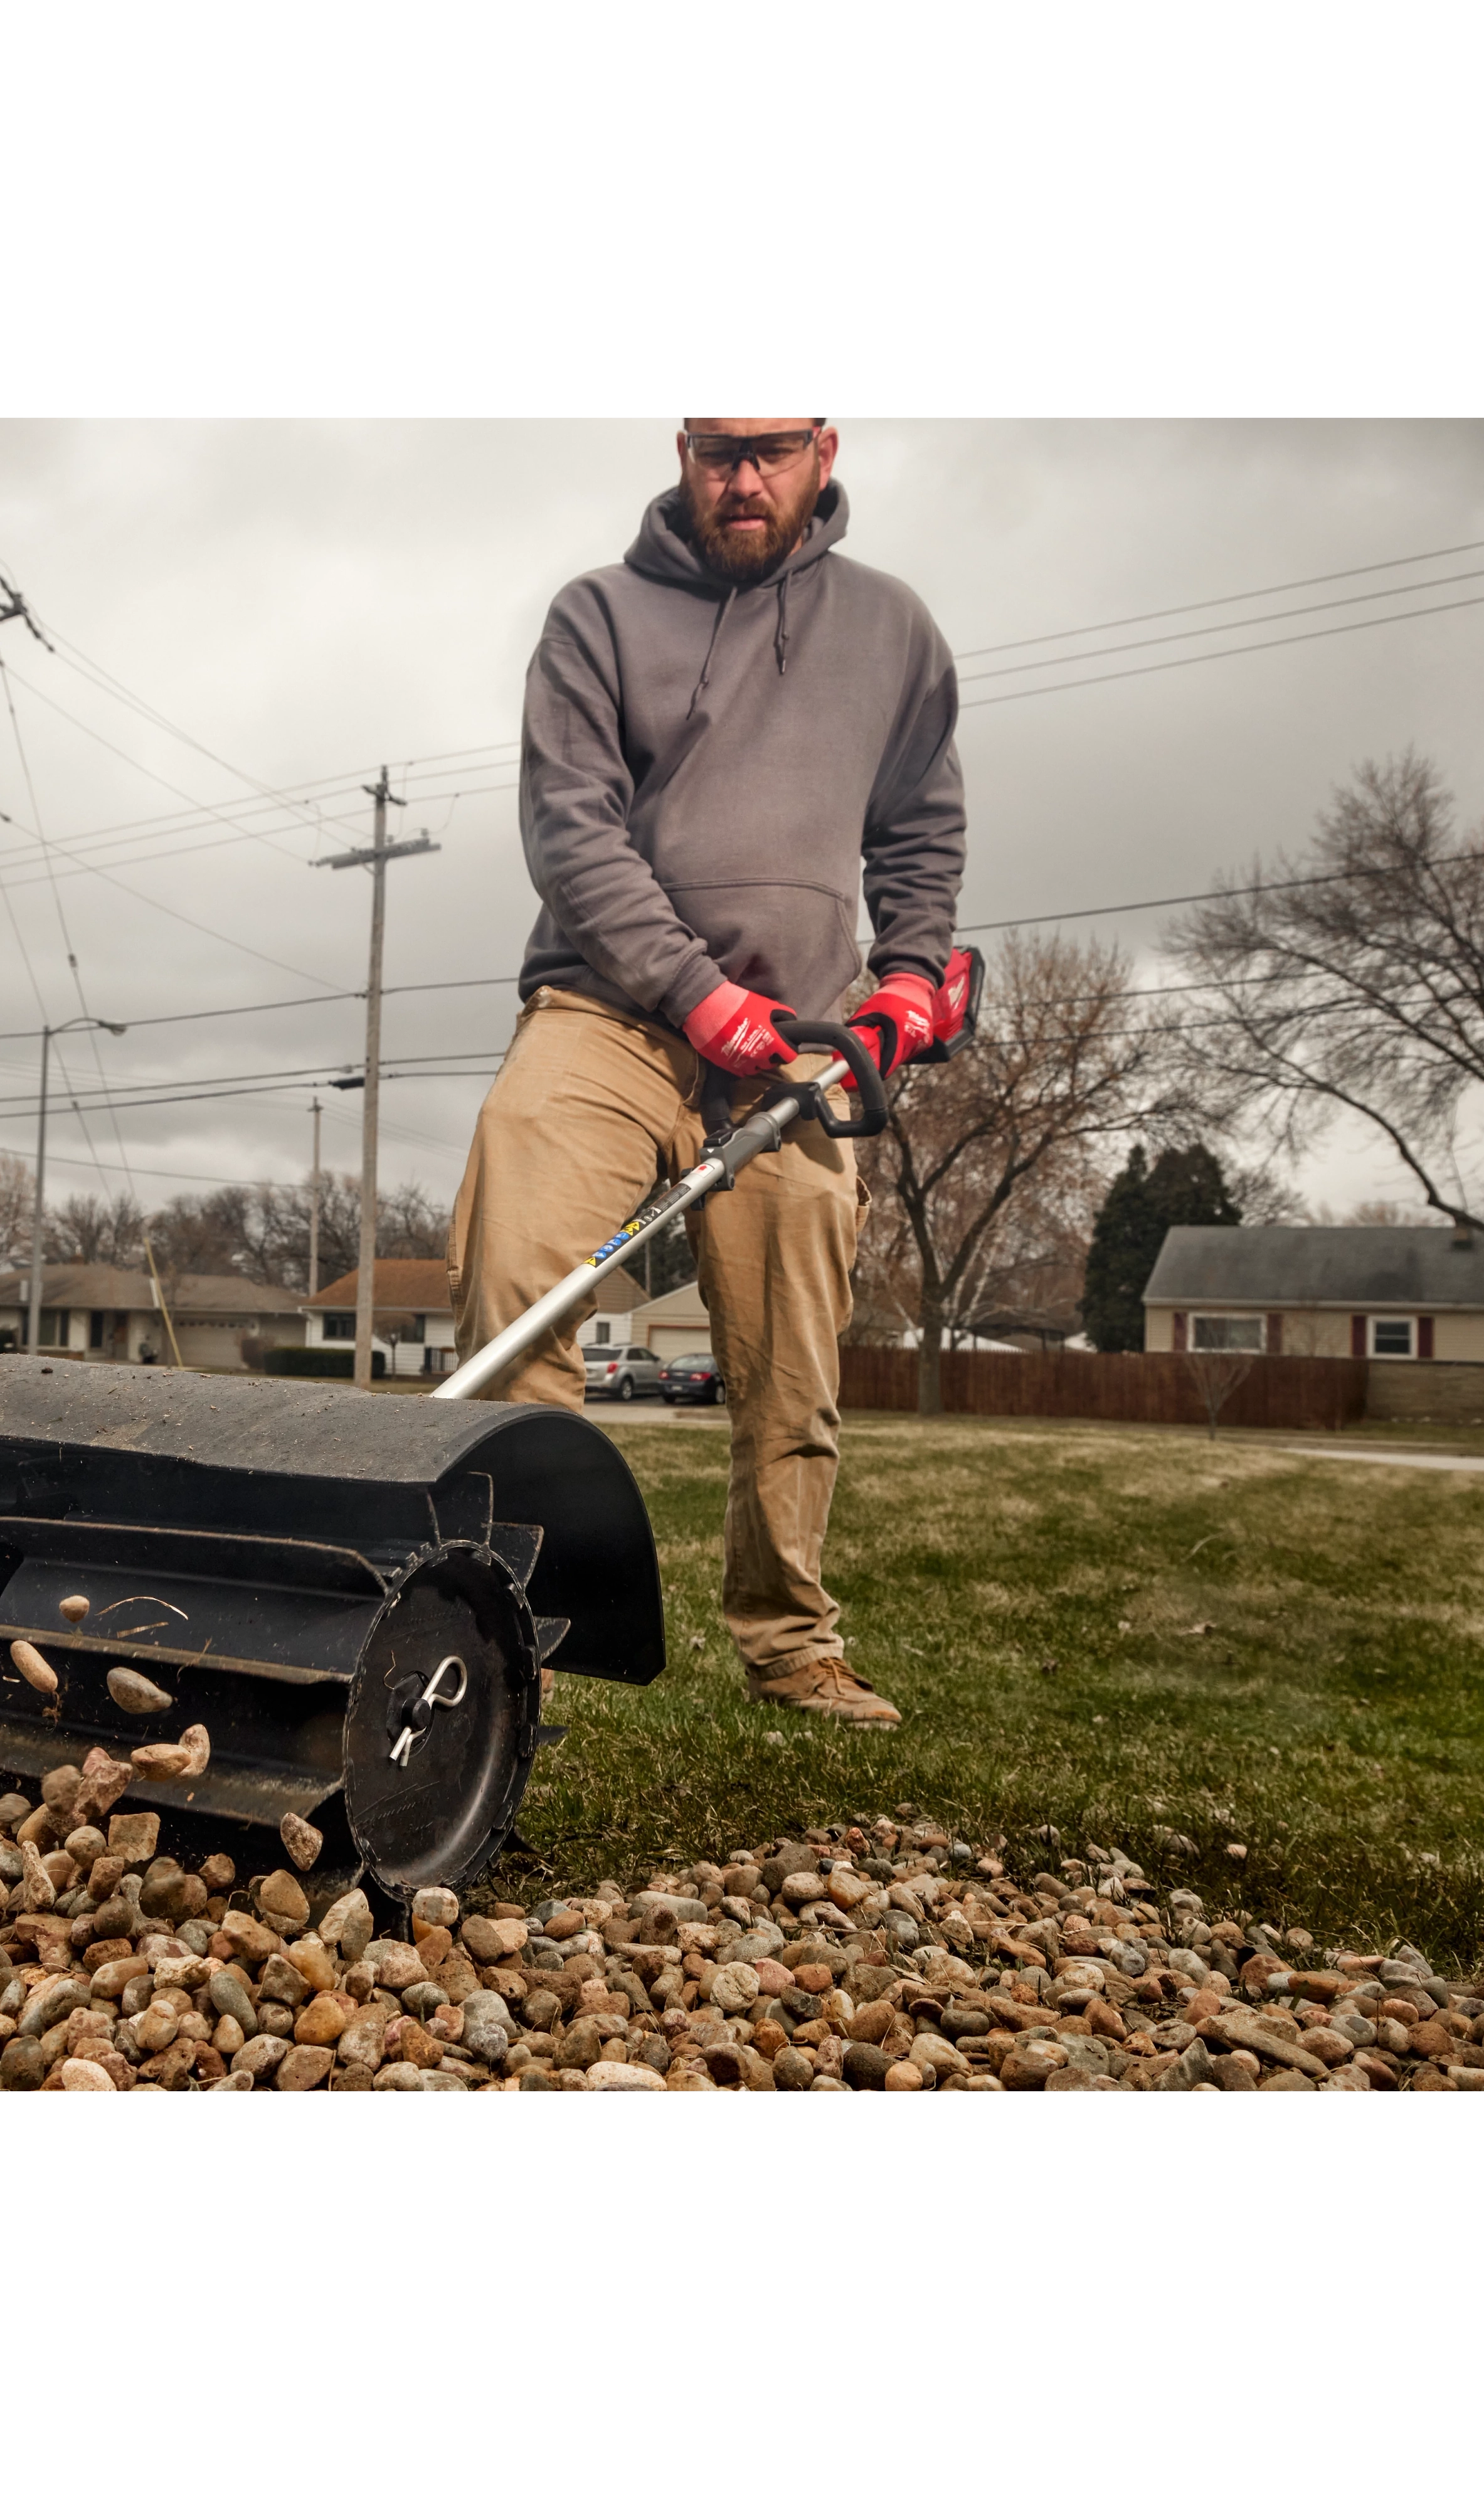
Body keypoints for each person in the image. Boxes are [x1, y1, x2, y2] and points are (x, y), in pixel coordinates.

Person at [450, 417, 970, 1726]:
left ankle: (789, 1639)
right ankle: (506, 1628)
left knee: (794, 1355)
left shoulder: (891, 629)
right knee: (515, 1272)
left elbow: (920, 825)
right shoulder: (597, 617)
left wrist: (911, 968)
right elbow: (569, 832)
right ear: (680, 449)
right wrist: (694, 993)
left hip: (793, 1046)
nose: (743, 478)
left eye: (772, 447)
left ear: (823, 447)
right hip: (608, 1011)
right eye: (717, 449)